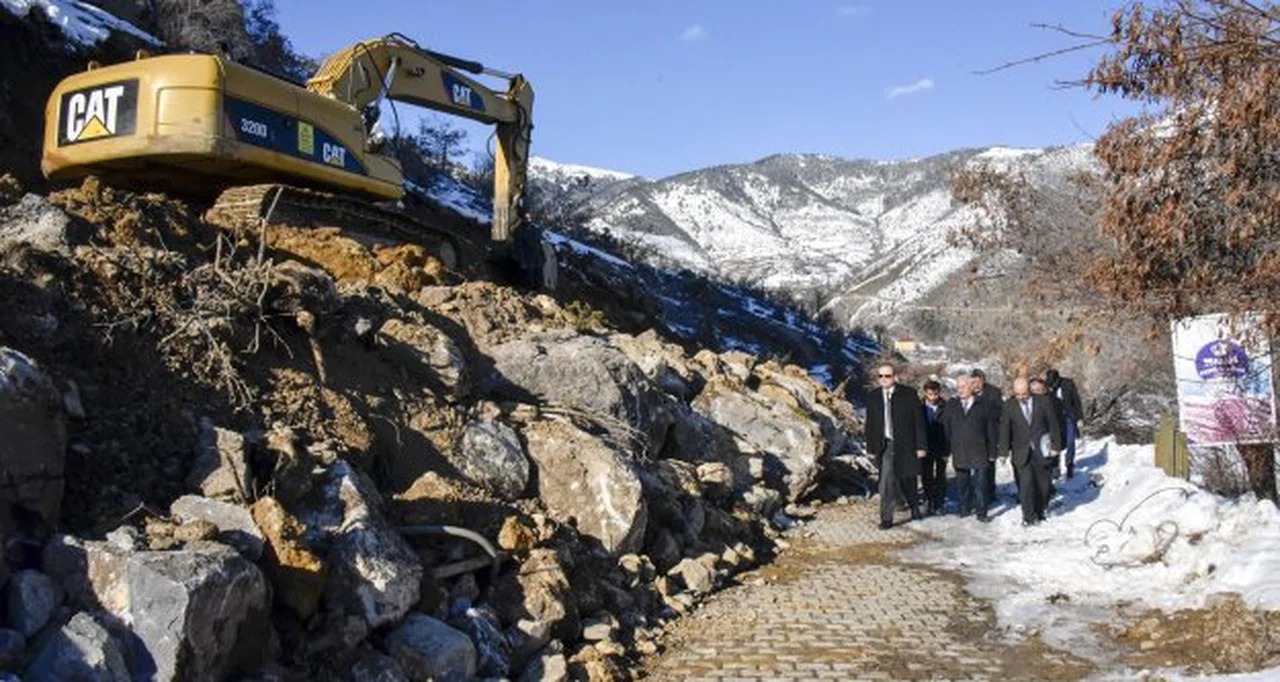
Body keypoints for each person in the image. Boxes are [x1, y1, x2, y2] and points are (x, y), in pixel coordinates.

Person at [864, 363, 928, 529]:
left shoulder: (908, 394)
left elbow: (919, 422)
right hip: (885, 444)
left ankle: (914, 506)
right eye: (881, 376)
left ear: (895, 377)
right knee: (885, 481)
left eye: (888, 376)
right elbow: (870, 424)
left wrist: (921, 446)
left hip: (906, 444)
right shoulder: (873, 397)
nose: (884, 379)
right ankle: (886, 518)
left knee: (907, 477)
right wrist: (870, 448)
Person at [998, 377, 1063, 526]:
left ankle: (1040, 510)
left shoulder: (1043, 402)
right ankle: (1028, 516)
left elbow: (1053, 424)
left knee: (1043, 484)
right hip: (1021, 451)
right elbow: (1005, 429)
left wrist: (1056, 446)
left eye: (1024, 394)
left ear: (1029, 390)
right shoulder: (1009, 405)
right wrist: (1003, 451)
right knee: (1025, 485)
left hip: (1042, 450)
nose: (1021, 397)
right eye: (1018, 394)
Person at [941, 376, 994, 522]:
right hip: (960, 449)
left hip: (980, 449)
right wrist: (946, 450)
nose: (960, 390)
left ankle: (981, 512)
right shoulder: (952, 405)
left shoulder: (983, 404)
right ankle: (964, 508)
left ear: (972, 387)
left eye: (963, 387)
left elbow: (991, 429)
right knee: (962, 482)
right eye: (958, 387)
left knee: (980, 484)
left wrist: (993, 451)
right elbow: (946, 429)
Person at [969, 368, 1003, 507]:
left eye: (978, 381)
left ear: (983, 381)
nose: (976, 385)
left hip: (990, 432)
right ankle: (976, 492)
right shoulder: (968, 393)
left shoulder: (994, 392)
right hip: (974, 434)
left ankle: (990, 492)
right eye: (973, 382)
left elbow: (1000, 412)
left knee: (989, 464)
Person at [1045, 369, 1084, 478]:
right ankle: (1055, 466)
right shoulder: (1046, 387)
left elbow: (1076, 400)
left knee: (1070, 441)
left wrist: (1079, 418)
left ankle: (1069, 464)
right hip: (1055, 419)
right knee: (1055, 443)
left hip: (1069, 417)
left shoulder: (1068, 384)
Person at [920, 379, 948, 515]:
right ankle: (928, 499)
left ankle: (939, 503)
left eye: (935, 394)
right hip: (925, 446)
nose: (933, 397)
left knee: (941, 475)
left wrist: (948, 447)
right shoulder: (919, 407)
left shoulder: (946, 407)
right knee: (926, 475)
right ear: (925, 393)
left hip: (942, 446)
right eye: (930, 394)